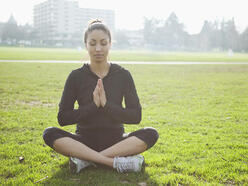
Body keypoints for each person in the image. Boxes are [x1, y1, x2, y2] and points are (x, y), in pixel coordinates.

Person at [43, 20, 159, 174]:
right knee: (49, 133)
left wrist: (106, 105)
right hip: (83, 142)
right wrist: (93, 106)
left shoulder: (123, 75)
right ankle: (114, 163)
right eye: (93, 43)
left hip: (117, 142)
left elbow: (136, 116)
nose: (98, 48)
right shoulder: (76, 76)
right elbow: (63, 118)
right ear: (86, 45)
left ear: (110, 44)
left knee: (151, 133)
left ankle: (85, 161)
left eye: (103, 43)